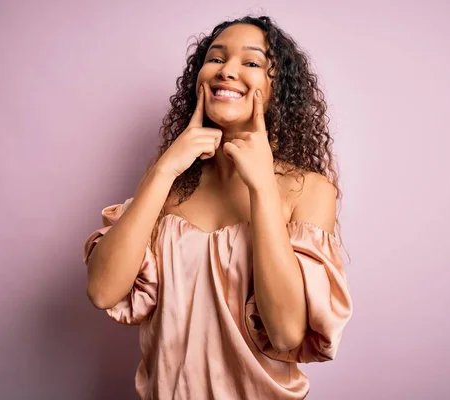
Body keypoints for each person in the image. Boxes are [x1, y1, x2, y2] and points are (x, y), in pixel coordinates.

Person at [83, 15, 353, 400]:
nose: (227, 71)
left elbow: (286, 332)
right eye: (216, 58)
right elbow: (102, 291)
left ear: (279, 90)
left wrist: (261, 187)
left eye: (252, 63)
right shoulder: (170, 185)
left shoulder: (308, 190)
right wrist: (164, 170)